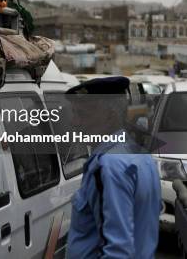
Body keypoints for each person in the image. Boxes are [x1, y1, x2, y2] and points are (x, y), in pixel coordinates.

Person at [66, 77, 161, 259]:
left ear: (109, 115)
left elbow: (117, 251)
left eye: (82, 114)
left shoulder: (108, 165)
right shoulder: (140, 155)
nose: (74, 122)